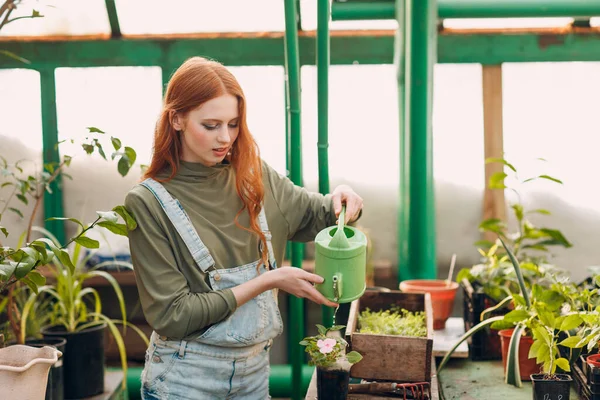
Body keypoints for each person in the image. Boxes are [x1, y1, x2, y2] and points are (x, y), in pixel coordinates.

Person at [124, 56, 364, 399]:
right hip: (184, 382)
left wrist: (343, 201)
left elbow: (318, 214)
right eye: (211, 125)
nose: (225, 138)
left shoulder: (254, 177)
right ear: (176, 119)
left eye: (233, 124)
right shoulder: (147, 202)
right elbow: (173, 315)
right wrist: (268, 280)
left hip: (253, 378)